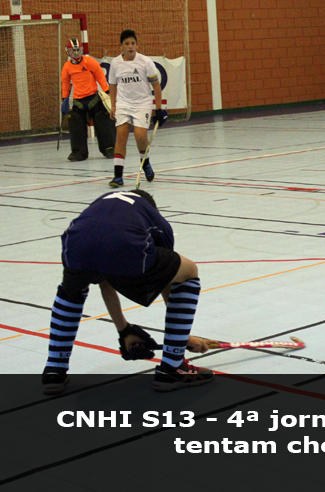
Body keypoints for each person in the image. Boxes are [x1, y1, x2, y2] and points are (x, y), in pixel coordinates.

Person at [41, 189, 215, 394]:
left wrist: (124, 330)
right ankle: (173, 367)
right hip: (123, 243)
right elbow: (169, 281)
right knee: (189, 271)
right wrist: (182, 339)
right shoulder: (157, 221)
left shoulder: (105, 204)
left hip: (76, 241)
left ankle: (54, 370)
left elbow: (105, 282)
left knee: (71, 293)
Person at [108, 30, 168, 188]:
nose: (130, 47)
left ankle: (145, 162)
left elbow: (156, 86)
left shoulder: (145, 62)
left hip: (142, 104)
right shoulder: (115, 63)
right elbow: (112, 85)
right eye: (127, 44)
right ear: (121, 46)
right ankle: (118, 176)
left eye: (133, 43)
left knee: (140, 136)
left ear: (137, 45)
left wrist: (158, 109)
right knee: (120, 137)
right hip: (123, 104)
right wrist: (113, 105)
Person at [60, 39, 116, 161]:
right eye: (73, 50)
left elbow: (100, 76)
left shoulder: (89, 62)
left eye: (78, 50)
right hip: (78, 101)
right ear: (68, 51)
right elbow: (65, 83)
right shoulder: (67, 67)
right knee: (75, 121)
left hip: (93, 98)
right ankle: (79, 151)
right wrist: (64, 98)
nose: (76, 53)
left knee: (103, 120)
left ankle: (109, 147)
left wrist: (107, 91)